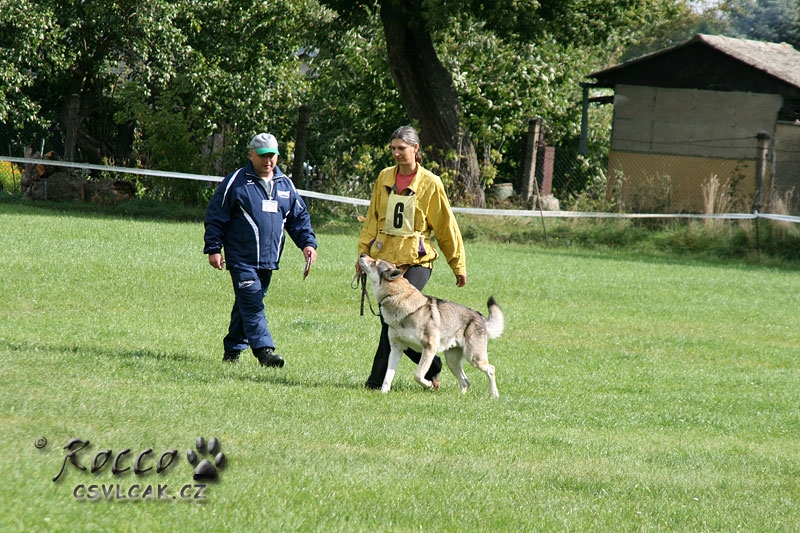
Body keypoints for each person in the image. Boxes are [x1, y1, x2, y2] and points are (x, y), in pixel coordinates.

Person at [356, 125, 467, 390]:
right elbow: (372, 219)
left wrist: (457, 264)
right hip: (385, 258)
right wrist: (363, 253)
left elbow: (445, 226)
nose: (396, 153)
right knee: (395, 324)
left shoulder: (431, 182)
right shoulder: (384, 177)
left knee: (391, 324)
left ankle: (375, 383)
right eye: (393, 148)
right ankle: (433, 365)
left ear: (415, 149)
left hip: (416, 262)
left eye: (401, 149)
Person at [204, 132, 317, 367]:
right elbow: (216, 216)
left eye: (272, 156)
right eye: (263, 156)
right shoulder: (235, 181)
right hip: (241, 259)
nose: (268, 161)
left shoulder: (286, 184)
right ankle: (265, 352)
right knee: (253, 302)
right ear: (251, 155)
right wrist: (214, 249)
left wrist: (308, 244)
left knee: (246, 304)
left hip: (269, 260)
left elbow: (298, 218)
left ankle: (232, 351)